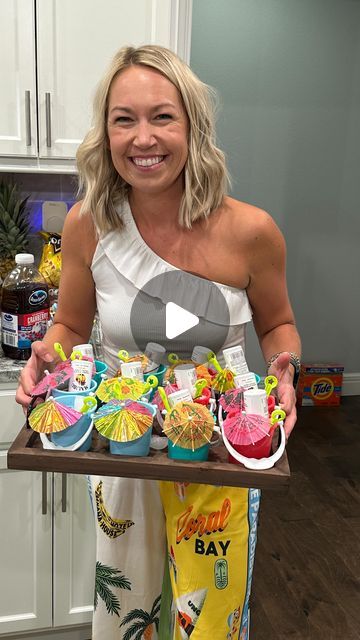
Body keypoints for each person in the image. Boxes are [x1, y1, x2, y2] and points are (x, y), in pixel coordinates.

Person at [16, 44, 301, 639]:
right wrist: (50, 351)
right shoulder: (88, 224)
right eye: (125, 119)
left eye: (162, 116)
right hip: (124, 442)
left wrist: (284, 369)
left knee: (210, 621)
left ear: (193, 126)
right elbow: (69, 324)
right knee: (126, 611)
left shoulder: (251, 231)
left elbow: (278, 326)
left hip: (219, 447)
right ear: (106, 133)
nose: (143, 138)